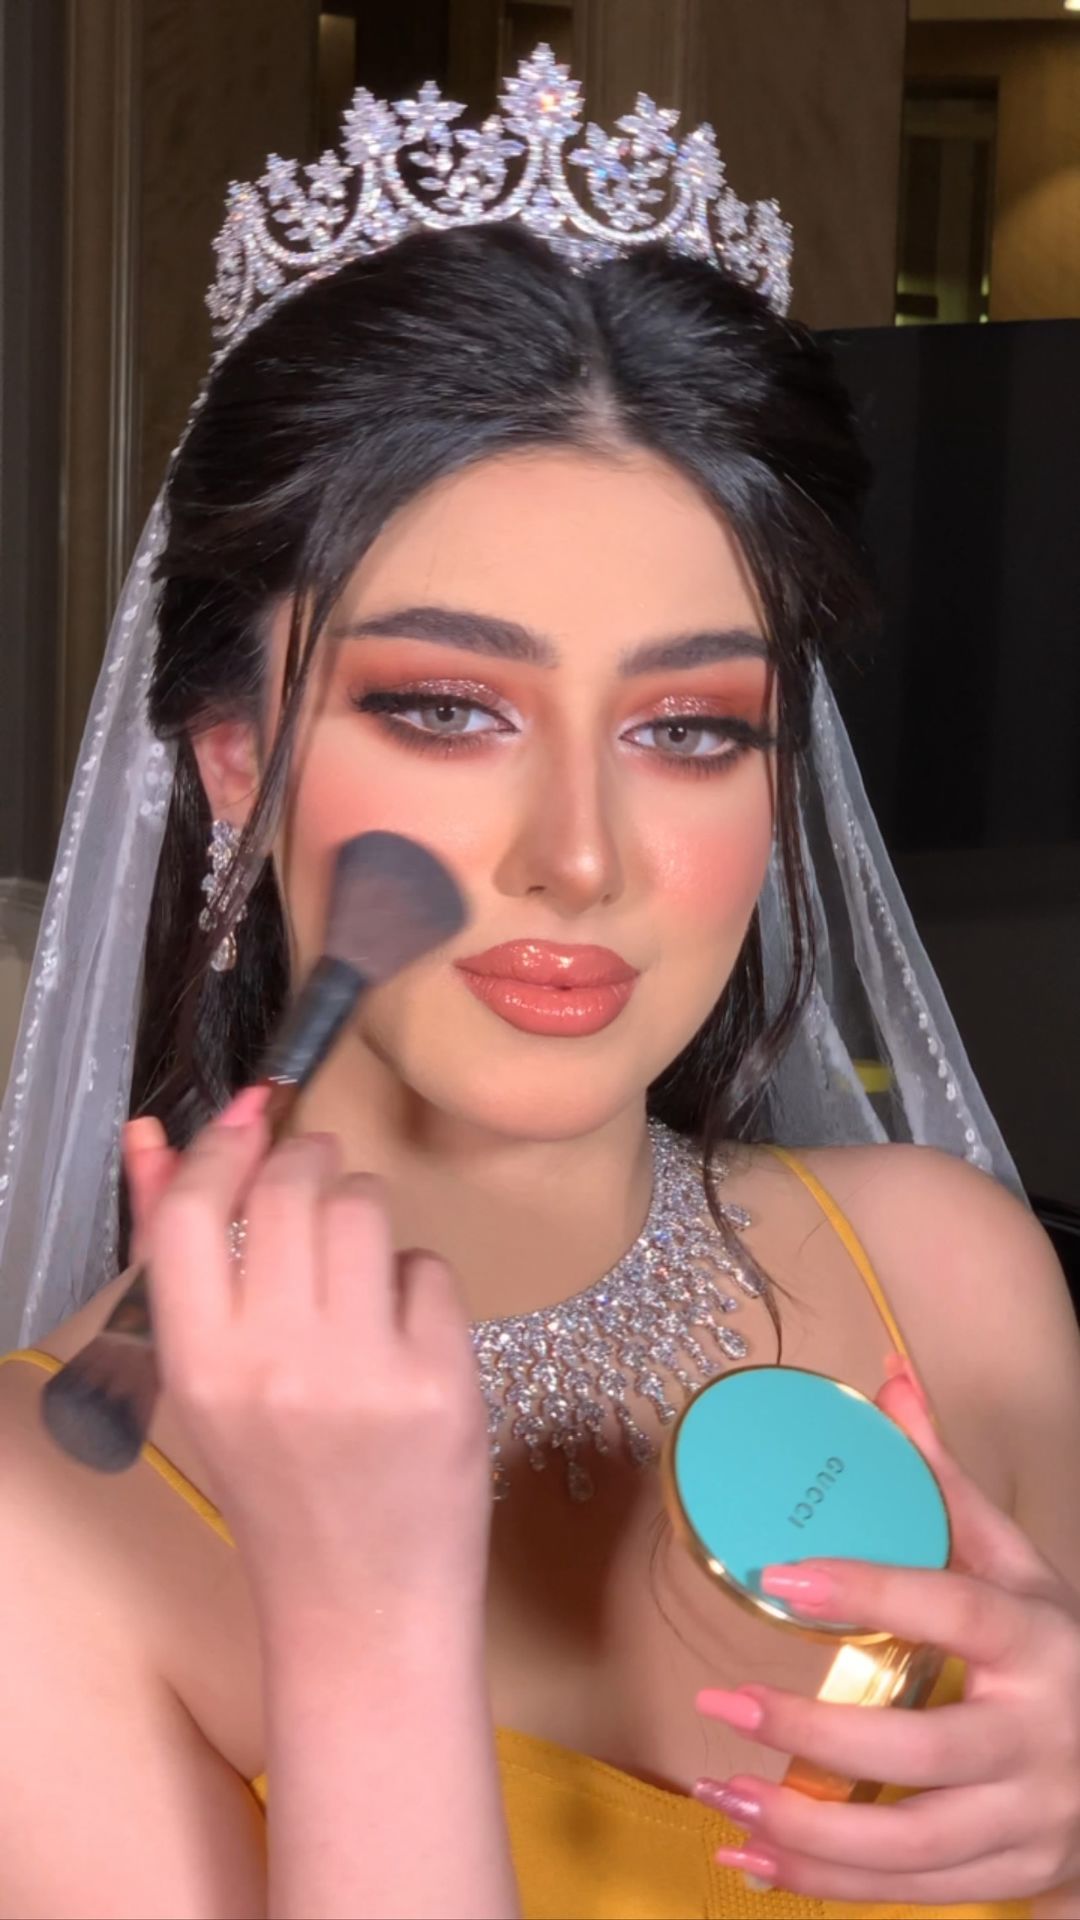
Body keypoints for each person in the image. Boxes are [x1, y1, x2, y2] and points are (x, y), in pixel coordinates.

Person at [0, 47, 1078, 1920]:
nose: (579, 855)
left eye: (688, 727)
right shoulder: (47, 1532)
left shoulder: (957, 1286)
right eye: (446, 708)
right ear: (236, 763)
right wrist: (365, 1631)